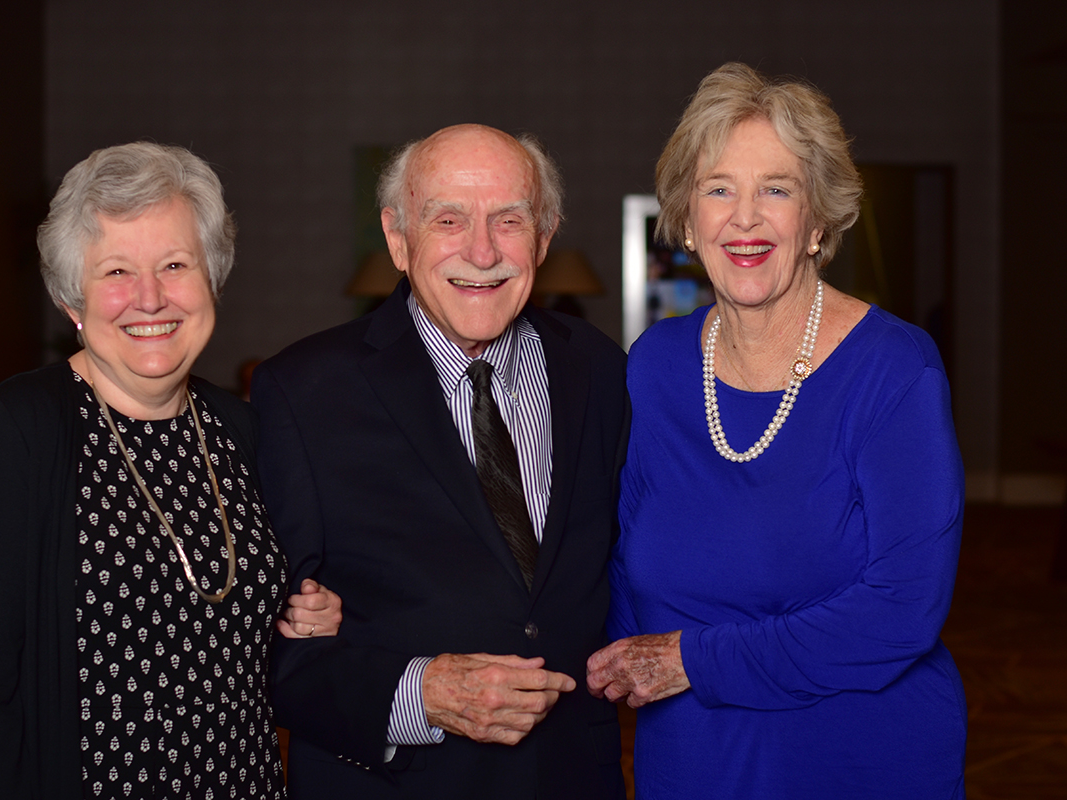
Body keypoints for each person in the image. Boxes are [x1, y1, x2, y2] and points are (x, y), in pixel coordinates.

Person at [586, 62, 966, 798]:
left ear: (818, 219)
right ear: (688, 221)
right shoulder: (656, 366)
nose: (746, 218)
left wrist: (695, 661)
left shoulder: (894, 369)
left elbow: (902, 610)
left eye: (777, 190)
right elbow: (616, 569)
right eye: (719, 189)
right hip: (694, 758)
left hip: (861, 757)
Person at [0, 142, 342, 800]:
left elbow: (245, 631)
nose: (149, 299)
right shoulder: (24, 429)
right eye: (117, 271)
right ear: (74, 300)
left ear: (211, 278)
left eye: (175, 265)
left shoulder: (242, 430)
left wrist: (305, 620)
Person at [251, 124, 629, 799]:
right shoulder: (303, 390)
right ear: (398, 238)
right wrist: (421, 694)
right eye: (448, 219)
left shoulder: (599, 369)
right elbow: (270, 653)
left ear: (544, 236)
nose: (481, 250)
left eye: (508, 220)